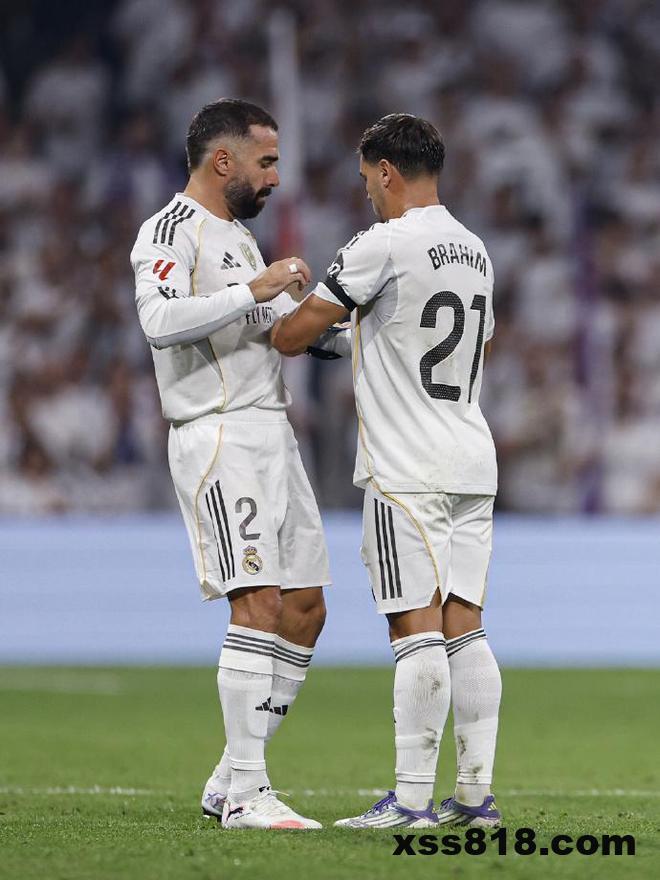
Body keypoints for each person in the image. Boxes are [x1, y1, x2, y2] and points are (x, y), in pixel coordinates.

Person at [272, 113, 502, 829]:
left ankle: (410, 801)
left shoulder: (382, 243)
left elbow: (291, 336)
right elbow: (426, 338)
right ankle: (475, 798)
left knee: (415, 629)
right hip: (471, 456)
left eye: (366, 179)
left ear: (386, 172)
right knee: (465, 628)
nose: (367, 192)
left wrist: (282, 313)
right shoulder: (476, 251)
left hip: (407, 466)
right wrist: (354, 341)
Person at [130, 99, 330, 830]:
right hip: (217, 435)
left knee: (305, 608)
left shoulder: (242, 241)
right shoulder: (170, 231)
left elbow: (277, 332)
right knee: (258, 603)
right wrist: (255, 289)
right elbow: (158, 321)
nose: (275, 177)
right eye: (266, 162)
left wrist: (349, 324)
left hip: (273, 430)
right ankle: (248, 792)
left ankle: (228, 777)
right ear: (224, 161)